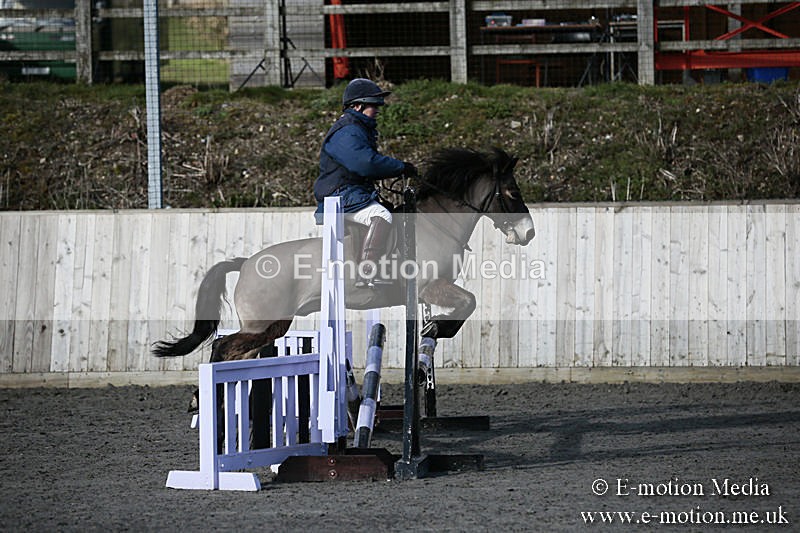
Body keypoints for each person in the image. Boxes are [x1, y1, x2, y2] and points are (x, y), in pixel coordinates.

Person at [314, 78, 416, 287]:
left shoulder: (356, 128)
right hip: (340, 194)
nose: (377, 110)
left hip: (350, 192)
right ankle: (366, 273)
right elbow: (365, 163)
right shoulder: (347, 131)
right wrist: (400, 167)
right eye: (373, 105)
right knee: (382, 215)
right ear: (357, 106)